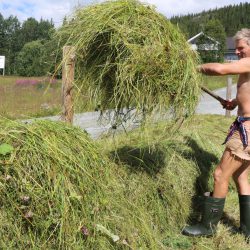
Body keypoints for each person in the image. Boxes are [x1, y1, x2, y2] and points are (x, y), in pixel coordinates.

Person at [182, 28, 250, 239]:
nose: (237, 52)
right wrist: (234, 102)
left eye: (241, 48)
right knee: (241, 176)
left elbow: (220, 70)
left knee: (220, 174)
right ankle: (247, 230)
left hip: (247, 129)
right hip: (247, 124)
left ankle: (207, 227)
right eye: (236, 48)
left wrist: (194, 67)